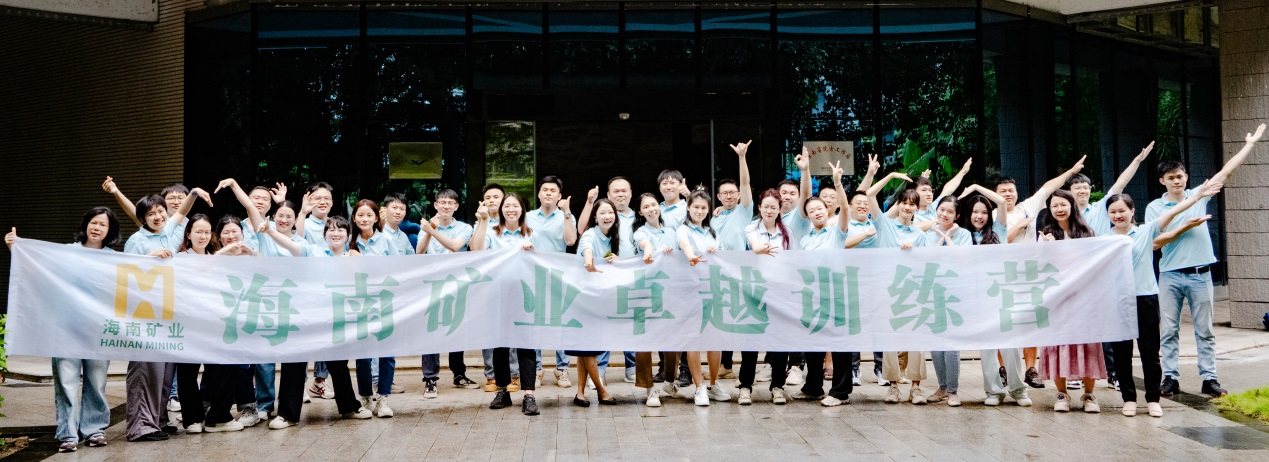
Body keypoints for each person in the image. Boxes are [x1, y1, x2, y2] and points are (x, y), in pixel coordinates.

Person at [1146, 123, 1265, 398]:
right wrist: (1185, 226)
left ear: (1186, 177)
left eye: (1180, 176)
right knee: (1169, 330)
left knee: (1205, 330)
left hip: (1201, 275)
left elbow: (1226, 172)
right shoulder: (1155, 207)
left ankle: (1209, 378)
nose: (1177, 181)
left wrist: (1250, 144)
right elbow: (1155, 242)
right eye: (1171, 178)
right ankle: (1170, 378)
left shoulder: (1198, 195)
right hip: (1170, 275)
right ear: (1162, 181)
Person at [5, 207, 120, 452]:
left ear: (110, 230)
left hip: (99, 329)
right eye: (94, 222)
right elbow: (38, 266)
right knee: (66, 383)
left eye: (103, 224)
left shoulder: (115, 258)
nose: (97, 228)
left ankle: (95, 430)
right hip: (65, 328)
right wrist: (16, 248)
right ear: (86, 224)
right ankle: (67, 434)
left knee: (97, 382)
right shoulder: (66, 252)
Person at [1108, 180, 1222, 417]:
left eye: (1122, 211)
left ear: (1132, 211)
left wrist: (1197, 196)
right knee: (1121, 353)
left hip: (1145, 298)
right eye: (1113, 212)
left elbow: (1173, 211)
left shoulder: (1145, 231)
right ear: (1108, 215)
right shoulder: (1103, 238)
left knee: (1150, 352)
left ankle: (1152, 399)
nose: (1118, 215)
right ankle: (1129, 399)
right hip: (1117, 301)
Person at [260, 216, 375, 427]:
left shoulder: (353, 258)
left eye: (340, 229)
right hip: (305, 317)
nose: (335, 233)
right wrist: (269, 231)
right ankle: (287, 414)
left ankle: (349, 407)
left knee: (338, 363)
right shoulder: (313, 252)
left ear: (348, 234)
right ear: (324, 234)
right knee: (294, 361)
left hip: (335, 319)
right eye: (331, 229)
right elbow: (291, 246)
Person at [122, 189, 208, 442]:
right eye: (151, 214)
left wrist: (194, 193)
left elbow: (182, 211)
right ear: (142, 218)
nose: (158, 216)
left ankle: (158, 421)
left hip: (167, 313)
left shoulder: (168, 230)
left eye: (161, 211)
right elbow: (125, 273)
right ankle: (140, 427)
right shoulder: (137, 240)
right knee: (144, 371)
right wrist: (149, 257)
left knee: (164, 374)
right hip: (145, 313)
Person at [994, 155, 1086, 388]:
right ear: (995, 194)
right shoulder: (993, 215)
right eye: (1003, 191)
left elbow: (1048, 187)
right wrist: (1019, 226)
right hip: (1004, 275)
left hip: (1031, 274)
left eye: (1011, 190)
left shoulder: (1026, 206)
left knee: (1031, 322)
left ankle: (1030, 369)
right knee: (1005, 323)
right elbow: (995, 243)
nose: (1008, 194)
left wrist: (1071, 171)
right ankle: (1004, 369)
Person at [785, 162, 855, 407]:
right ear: (807, 215)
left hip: (835, 293)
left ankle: (840, 391)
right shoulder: (805, 240)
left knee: (838, 342)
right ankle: (813, 387)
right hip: (812, 295)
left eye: (820, 208)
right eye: (811, 210)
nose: (816, 212)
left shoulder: (837, 232)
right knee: (812, 341)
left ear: (827, 210)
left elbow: (845, 209)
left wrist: (837, 183)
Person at [957, 184, 1032, 407]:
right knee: (987, 347)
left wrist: (975, 187)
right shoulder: (963, 236)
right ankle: (993, 391)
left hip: (1002, 296)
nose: (979, 216)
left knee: (1011, 345)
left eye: (983, 212)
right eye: (975, 212)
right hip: (978, 298)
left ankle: (1019, 390)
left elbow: (1000, 202)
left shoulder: (998, 230)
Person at [173, 214, 247, 434]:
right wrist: (223, 255)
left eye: (207, 232)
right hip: (189, 323)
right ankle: (192, 419)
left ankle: (218, 416)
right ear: (188, 234)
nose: (203, 236)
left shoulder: (216, 256)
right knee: (187, 373)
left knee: (226, 367)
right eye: (198, 231)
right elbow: (195, 272)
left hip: (216, 323)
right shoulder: (181, 257)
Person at [471, 193, 542, 416]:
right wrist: (483, 220)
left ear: (522, 210)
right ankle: (503, 390)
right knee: (500, 345)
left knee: (526, 345)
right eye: (507, 206)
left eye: (515, 206)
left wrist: (532, 253)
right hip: (497, 296)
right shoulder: (492, 233)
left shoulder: (532, 234)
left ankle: (529, 395)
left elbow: (542, 263)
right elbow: (476, 250)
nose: (511, 209)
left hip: (525, 297)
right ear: (501, 210)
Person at [1034, 189, 1105, 413]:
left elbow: (1095, 263)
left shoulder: (1086, 233)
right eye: (1054, 206)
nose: (1059, 209)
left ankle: (1089, 394)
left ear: (1071, 206)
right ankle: (1062, 393)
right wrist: (1045, 249)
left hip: (1084, 298)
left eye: (1063, 204)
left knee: (1087, 342)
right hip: (1057, 299)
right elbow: (1039, 268)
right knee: (1058, 342)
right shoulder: (1046, 235)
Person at [866, 172, 932, 404]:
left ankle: (916, 387)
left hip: (912, 291)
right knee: (890, 340)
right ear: (898, 204)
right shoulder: (885, 225)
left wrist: (913, 253)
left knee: (916, 340)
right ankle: (893, 386)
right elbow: (870, 194)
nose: (907, 207)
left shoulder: (920, 235)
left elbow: (926, 264)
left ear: (917, 208)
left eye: (912, 204)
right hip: (888, 291)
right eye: (904, 203)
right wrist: (892, 175)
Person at [417, 189, 482, 395]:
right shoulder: (427, 226)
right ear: (435, 205)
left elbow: (455, 246)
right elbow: (419, 252)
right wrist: (429, 231)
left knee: (457, 328)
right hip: (432, 285)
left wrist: (432, 230)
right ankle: (430, 378)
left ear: (456, 206)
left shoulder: (464, 227)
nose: (446, 206)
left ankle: (459, 374)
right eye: (442, 202)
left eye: (450, 203)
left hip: (456, 284)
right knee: (431, 330)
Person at [738, 189, 795, 405]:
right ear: (759, 208)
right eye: (765, 207)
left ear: (780, 209)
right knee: (750, 340)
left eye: (773, 207)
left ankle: (778, 386)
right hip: (754, 290)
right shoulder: (751, 227)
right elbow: (753, 245)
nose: (769, 211)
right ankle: (745, 386)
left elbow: (794, 259)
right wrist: (758, 249)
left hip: (781, 292)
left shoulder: (787, 232)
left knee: (780, 340)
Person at [525, 176, 578, 388]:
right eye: (545, 190)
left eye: (553, 190)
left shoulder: (566, 216)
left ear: (559, 195)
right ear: (539, 194)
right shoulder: (527, 217)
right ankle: (537, 369)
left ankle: (562, 369)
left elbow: (570, 240)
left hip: (558, 275)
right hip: (533, 274)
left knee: (560, 321)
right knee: (536, 321)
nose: (548, 193)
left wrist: (567, 213)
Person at [675, 188, 724, 406]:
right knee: (693, 339)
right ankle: (699, 387)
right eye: (696, 207)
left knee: (715, 338)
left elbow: (724, 258)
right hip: (689, 290)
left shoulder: (713, 233)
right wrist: (691, 256)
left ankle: (714, 383)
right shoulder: (683, 230)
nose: (700, 211)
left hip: (713, 288)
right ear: (688, 207)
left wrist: (716, 252)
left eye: (704, 208)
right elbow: (684, 245)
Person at [573, 198, 622, 407]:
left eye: (610, 212)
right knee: (589, 347)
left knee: (585, 349)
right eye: (602, 212)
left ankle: (580, 393)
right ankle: (602, 391)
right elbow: (587, 249)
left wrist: (617, 260)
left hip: (600, 298)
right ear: (595, 216)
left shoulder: (613, 237)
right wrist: (588, 262)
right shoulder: (590, 234)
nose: (607, 216)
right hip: (584, 298)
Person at [923, 196, 971, 407]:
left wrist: (949, 237)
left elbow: (962, 259)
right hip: (933, 291)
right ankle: (942, 387)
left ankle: (953, 391)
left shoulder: (964, 234)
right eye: (942, 209)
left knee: (951, 344)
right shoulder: (927, 234)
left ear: (957, 216)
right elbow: (928, 260)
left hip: (956, 293)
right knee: (935, 343)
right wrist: (940, 237)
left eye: (950, 212)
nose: (944, 214)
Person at [349, 199, 396, 418]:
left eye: (369, 215)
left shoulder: (387, 240)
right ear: (354, 218)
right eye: (360, 215)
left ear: (376, 218)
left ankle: (383, 397)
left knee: (387, 352)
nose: (365, 219)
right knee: (362, 355)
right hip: (358, 304)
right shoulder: (350, 241)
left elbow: (398, 268)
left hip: (384, 301)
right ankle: (366, 397)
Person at [630, 192, 678, 407]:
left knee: (672, 338)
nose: (651, 209)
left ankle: (669, 380)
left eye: (654, 205)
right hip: (645, 290)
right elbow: (644, 245)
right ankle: (649, 389)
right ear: (640, 212)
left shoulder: (672, 231)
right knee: (644, 340)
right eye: (646, 207)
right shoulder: (640, 232)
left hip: (669, 291)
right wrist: (653, 251)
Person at [296, 182, 338, 400]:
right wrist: (302, 212)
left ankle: (320, 381)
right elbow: (296, 239)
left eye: (326, 198)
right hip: (306, 289)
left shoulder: (336, 225)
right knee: (304, 336)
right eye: (317, 198)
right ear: (308, 200)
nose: (322, 202)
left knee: (326, 335)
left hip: (330, 288)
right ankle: (300, 384)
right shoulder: (303, 222)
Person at [475, 183, 516, 393]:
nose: (492, 200)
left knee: (513, 330)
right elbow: (476, 249)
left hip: (514, 287)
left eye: (496, 197)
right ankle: (491, 376)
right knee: (489, 331)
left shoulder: (516, 224)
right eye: (488, 197)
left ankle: (514, 375)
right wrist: (482, 221)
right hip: (489, 287)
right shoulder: (481, 223)